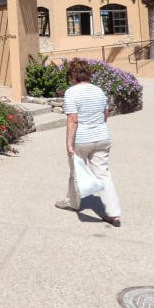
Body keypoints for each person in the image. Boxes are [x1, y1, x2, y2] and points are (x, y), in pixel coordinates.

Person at [55, 58, 122, 226]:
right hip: (102, 137)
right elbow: (105, 114)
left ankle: (73, 203)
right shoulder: (99, 91)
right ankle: (113, 213)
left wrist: (69, 144)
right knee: (103, 174)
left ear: (73, 75)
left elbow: (73, 120)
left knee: (76, 172)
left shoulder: (72, 92)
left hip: (82, 139)